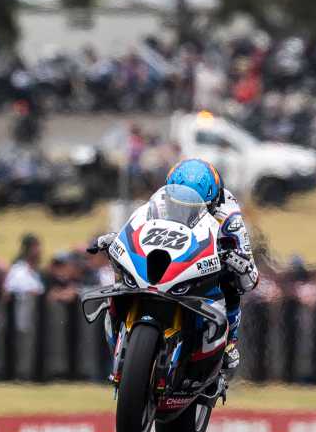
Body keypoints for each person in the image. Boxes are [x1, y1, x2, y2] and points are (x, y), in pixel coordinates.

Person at [104, 157, 259, 369]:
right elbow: (135, 227)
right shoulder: (158, 203)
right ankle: (118, 319)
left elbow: (250, 275)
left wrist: (238, 261)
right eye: (178, 204)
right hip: (172, 259)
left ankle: (229, 341)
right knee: (122, 271)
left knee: (232, 283)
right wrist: (115, 239)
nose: (183, 209)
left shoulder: (229, 216)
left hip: (206, 263)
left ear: (214, 202)